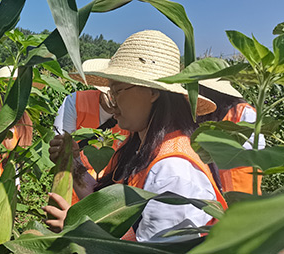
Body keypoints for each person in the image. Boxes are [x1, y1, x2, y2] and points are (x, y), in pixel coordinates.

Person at [43, 30, 227, 242]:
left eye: (118, 91)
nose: (112, 103)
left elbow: (152, 249)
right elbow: (104, 206)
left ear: (152, 92)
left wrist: (80, 229)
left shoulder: (173, 170)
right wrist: (71, 160)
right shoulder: (142, 147)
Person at [54, 59, 129, 182]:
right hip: (73, 182)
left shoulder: (131, 114)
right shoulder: (75, 101)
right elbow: (62, 147)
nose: (113, 99)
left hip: (111, 187)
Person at [197, 78, 265, 194]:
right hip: (218, 181)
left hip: (242, 181)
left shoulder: (243, 111)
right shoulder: (211, 114)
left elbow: (257, 146)